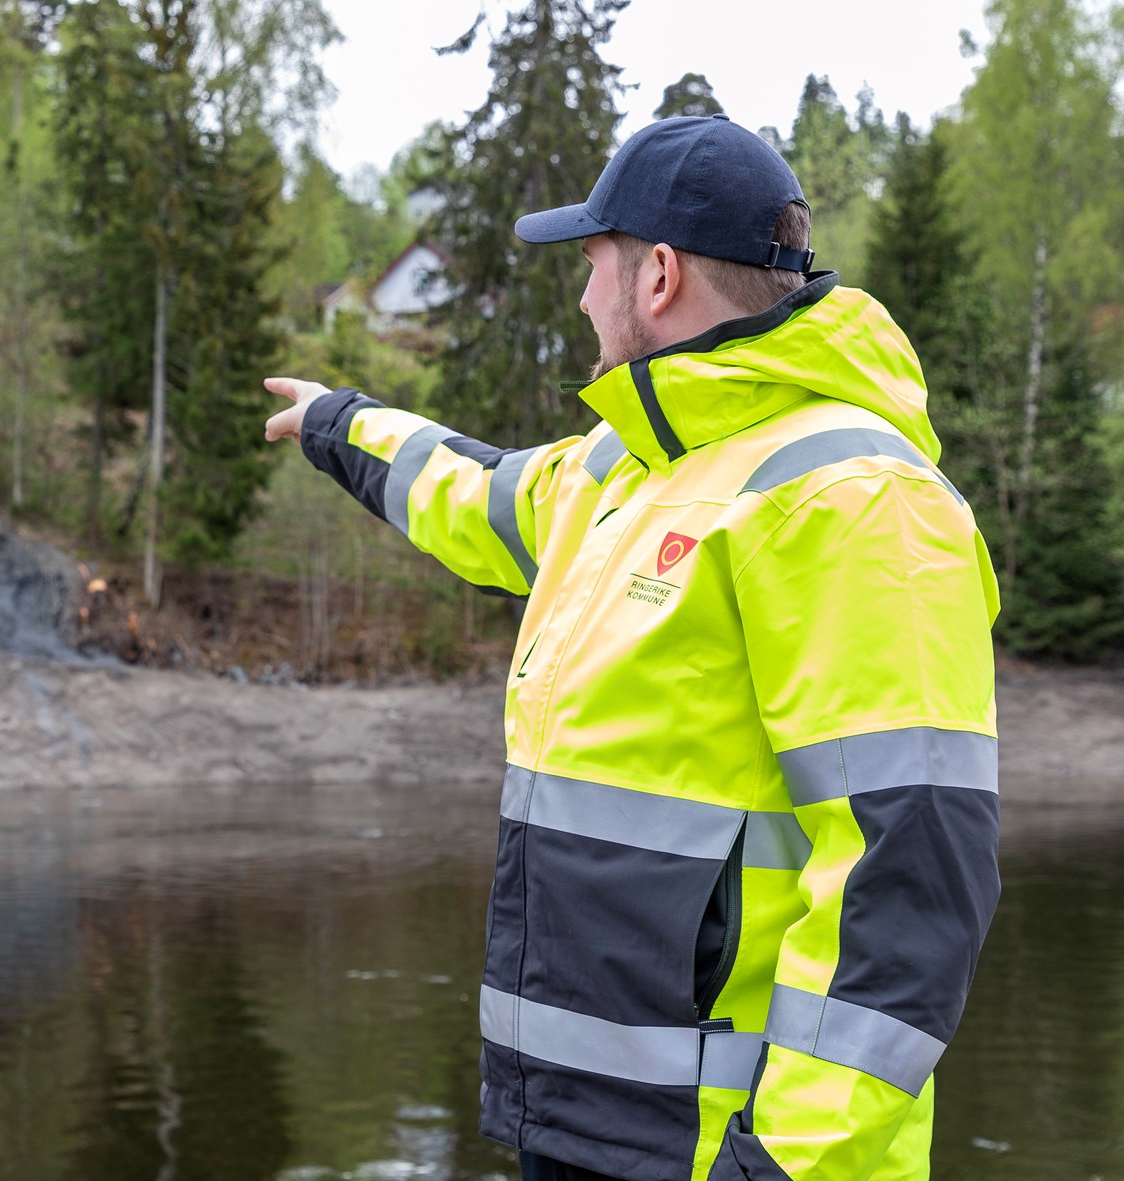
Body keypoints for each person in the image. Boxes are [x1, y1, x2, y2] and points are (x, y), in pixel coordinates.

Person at [262, 115, 1001, 1181]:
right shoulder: (630, 467)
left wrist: (782, 1164)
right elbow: (474, 493)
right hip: (582, 1128)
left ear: (655, 274)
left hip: (720, 1153)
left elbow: (907, 877)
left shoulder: (854, 499)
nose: (579, 295)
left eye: (590, 265)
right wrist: (339, 421)